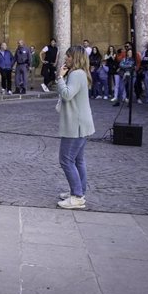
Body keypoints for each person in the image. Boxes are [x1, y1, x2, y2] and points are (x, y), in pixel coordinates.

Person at [55, 45, 95, 210]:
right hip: (81, 124)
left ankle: (77, 197)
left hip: (75, 125)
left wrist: (59, 78)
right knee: (78, 161)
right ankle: (78, 191)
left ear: (76, 58)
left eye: (69, 57)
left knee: (66, 160)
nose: (66, 59)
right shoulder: (80, 74)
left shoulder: (76, 75)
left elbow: (67, 95)